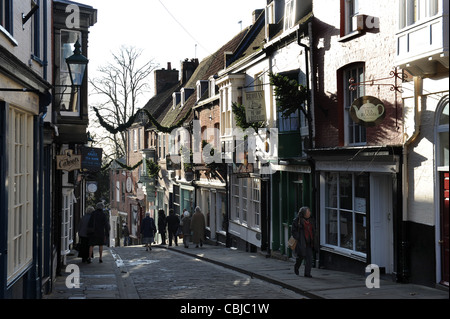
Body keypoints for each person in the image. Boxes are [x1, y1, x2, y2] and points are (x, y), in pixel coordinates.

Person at [291, 206, 317, 278]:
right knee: (301, 256)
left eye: (309, 211)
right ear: (303, 213)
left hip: (309, 242)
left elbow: (314, 229)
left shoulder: (311, 220)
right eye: (308, 212)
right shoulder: (297, 221)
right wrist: (298, 237)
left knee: (309, 258)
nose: (309, 213)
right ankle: (296, 267)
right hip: (301, 242)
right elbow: (293, 231)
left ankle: (307, 273)